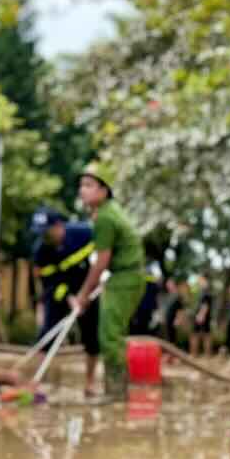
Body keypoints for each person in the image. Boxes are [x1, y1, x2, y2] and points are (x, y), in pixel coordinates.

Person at [69, 166, 146, 403]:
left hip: (125, 277)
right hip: (125, 277)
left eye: (89, 185)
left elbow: (101, 261)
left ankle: (116, 394)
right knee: (113, 334)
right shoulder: (110, 212)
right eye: (82, 185)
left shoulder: (104, 217)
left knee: (109, 336)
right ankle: (116, 391)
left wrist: (83, 295)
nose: (83, 190)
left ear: (104, 190)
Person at [29, 206, 101, 395]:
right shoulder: (41, 251)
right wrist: (70, 297)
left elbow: (104, 254)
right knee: (47, 333)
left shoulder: (85, 233)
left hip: (90, 287)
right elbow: (46, 281)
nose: (43, 236)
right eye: (40, 232)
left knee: (91, 337)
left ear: (59, 226)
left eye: (46, 231)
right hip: (59, 292)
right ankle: (36, 382)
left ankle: (90, 383)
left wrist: (86, 294)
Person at [190, 278, 216, 357]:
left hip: (202, 317)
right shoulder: (202, 293)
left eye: (202, 281)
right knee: (203, 334)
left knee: (202, 335)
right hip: (201, 317)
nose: (200, 282)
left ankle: (201, 354)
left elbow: (205, 306)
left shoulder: (206, 293)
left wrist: (201, 315)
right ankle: (198, 354)